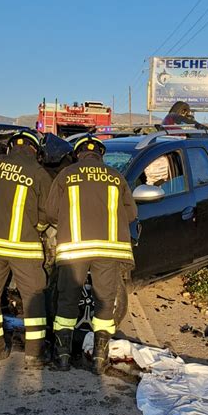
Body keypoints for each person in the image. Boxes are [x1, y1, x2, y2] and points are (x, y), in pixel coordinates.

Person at [45, 134, 138, 374]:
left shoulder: (66, 175)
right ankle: (99, 359)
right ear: (100, 155)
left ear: (78, 154)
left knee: (66, 300)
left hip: (74, 249)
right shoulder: (116, 177)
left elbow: (51, 212)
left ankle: (63, 356)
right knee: (105, 302)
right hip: (108, 250)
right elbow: (131, 213)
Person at [0, 130, 52, 369]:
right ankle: (34, 354)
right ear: (35, 151)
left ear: (10, 147)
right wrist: (38, 226)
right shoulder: (39, 172)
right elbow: (47, 211)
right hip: (23, 247)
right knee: (33, 297)